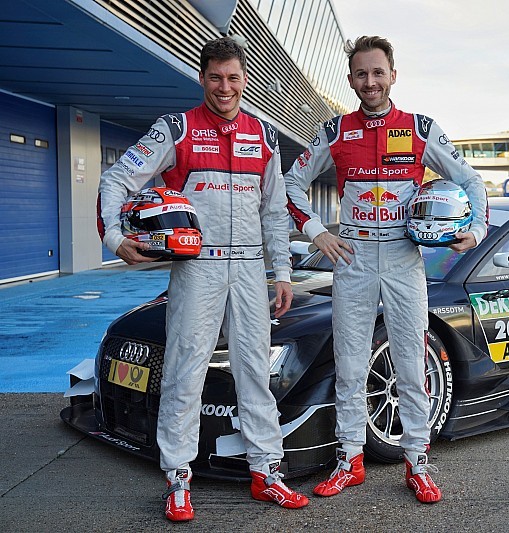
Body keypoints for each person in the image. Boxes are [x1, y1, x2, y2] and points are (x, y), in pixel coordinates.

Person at [97, 36, 308, 521]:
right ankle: (177, 478)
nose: (225, 87)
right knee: (185, 371)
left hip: (252, 271)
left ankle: (266, 470)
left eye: (233, 77)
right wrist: (113, 238)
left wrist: (282, 273)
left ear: (245, 78)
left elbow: (275, 212)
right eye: (216, 77)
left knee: (256, 370)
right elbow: (116, 179)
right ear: (202, 78)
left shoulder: (266, 136)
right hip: (198, 269)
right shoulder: (177, 129)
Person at [283, 35, 488, 504]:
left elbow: (470, 178)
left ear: (393, 75)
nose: (370, 82)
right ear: (351, 79)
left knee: (412, 364)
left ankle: (417, 462)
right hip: (352, 258)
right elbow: (292, 182)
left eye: (378, 72)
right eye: (361, 74)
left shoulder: (420, 128)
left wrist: (474, 229)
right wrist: (317, 231)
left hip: (402, 258)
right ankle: (349, 460)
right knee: (351, 365)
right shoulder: (335, 131)